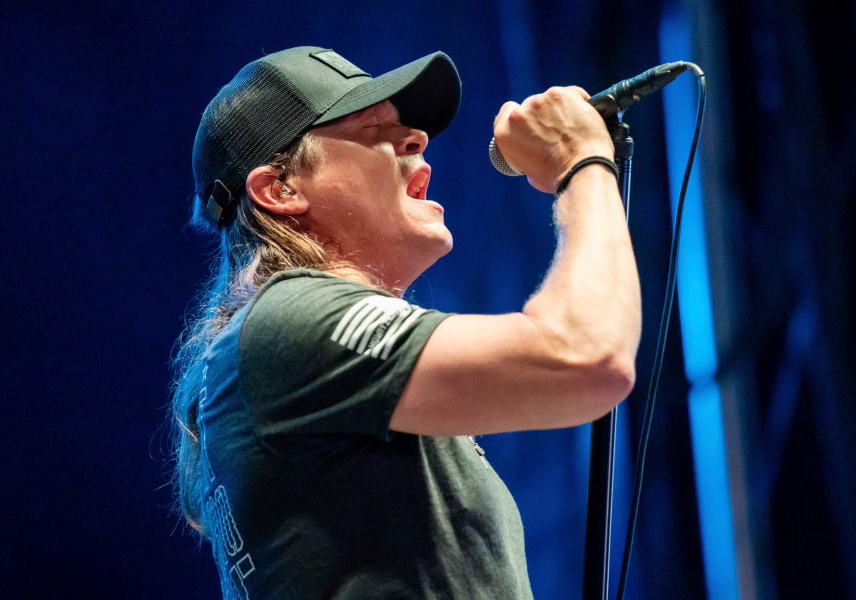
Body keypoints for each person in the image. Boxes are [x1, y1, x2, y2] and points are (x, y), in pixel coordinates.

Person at [170, 46, 641, 600]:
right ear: (281, 189)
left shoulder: (285, 349)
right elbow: (586, 356)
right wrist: (581, 160)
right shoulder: (285, 318)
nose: (417, 138)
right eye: (374, 129)